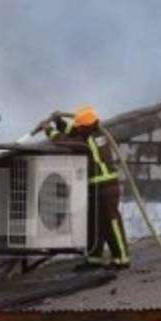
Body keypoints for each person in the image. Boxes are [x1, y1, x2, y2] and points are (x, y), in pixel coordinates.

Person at [32, 106, 130, 268]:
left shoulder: (88, 141)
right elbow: (73, 131)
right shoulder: (95, 133)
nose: (77, 128)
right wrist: (59, 121)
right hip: (97, 188)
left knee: (110, 224)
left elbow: (63, 141)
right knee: (93, 224)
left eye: (79, 126)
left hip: (105, 188)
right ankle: (94, 259)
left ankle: (122, 259)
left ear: (86, 127)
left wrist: (48, 130)